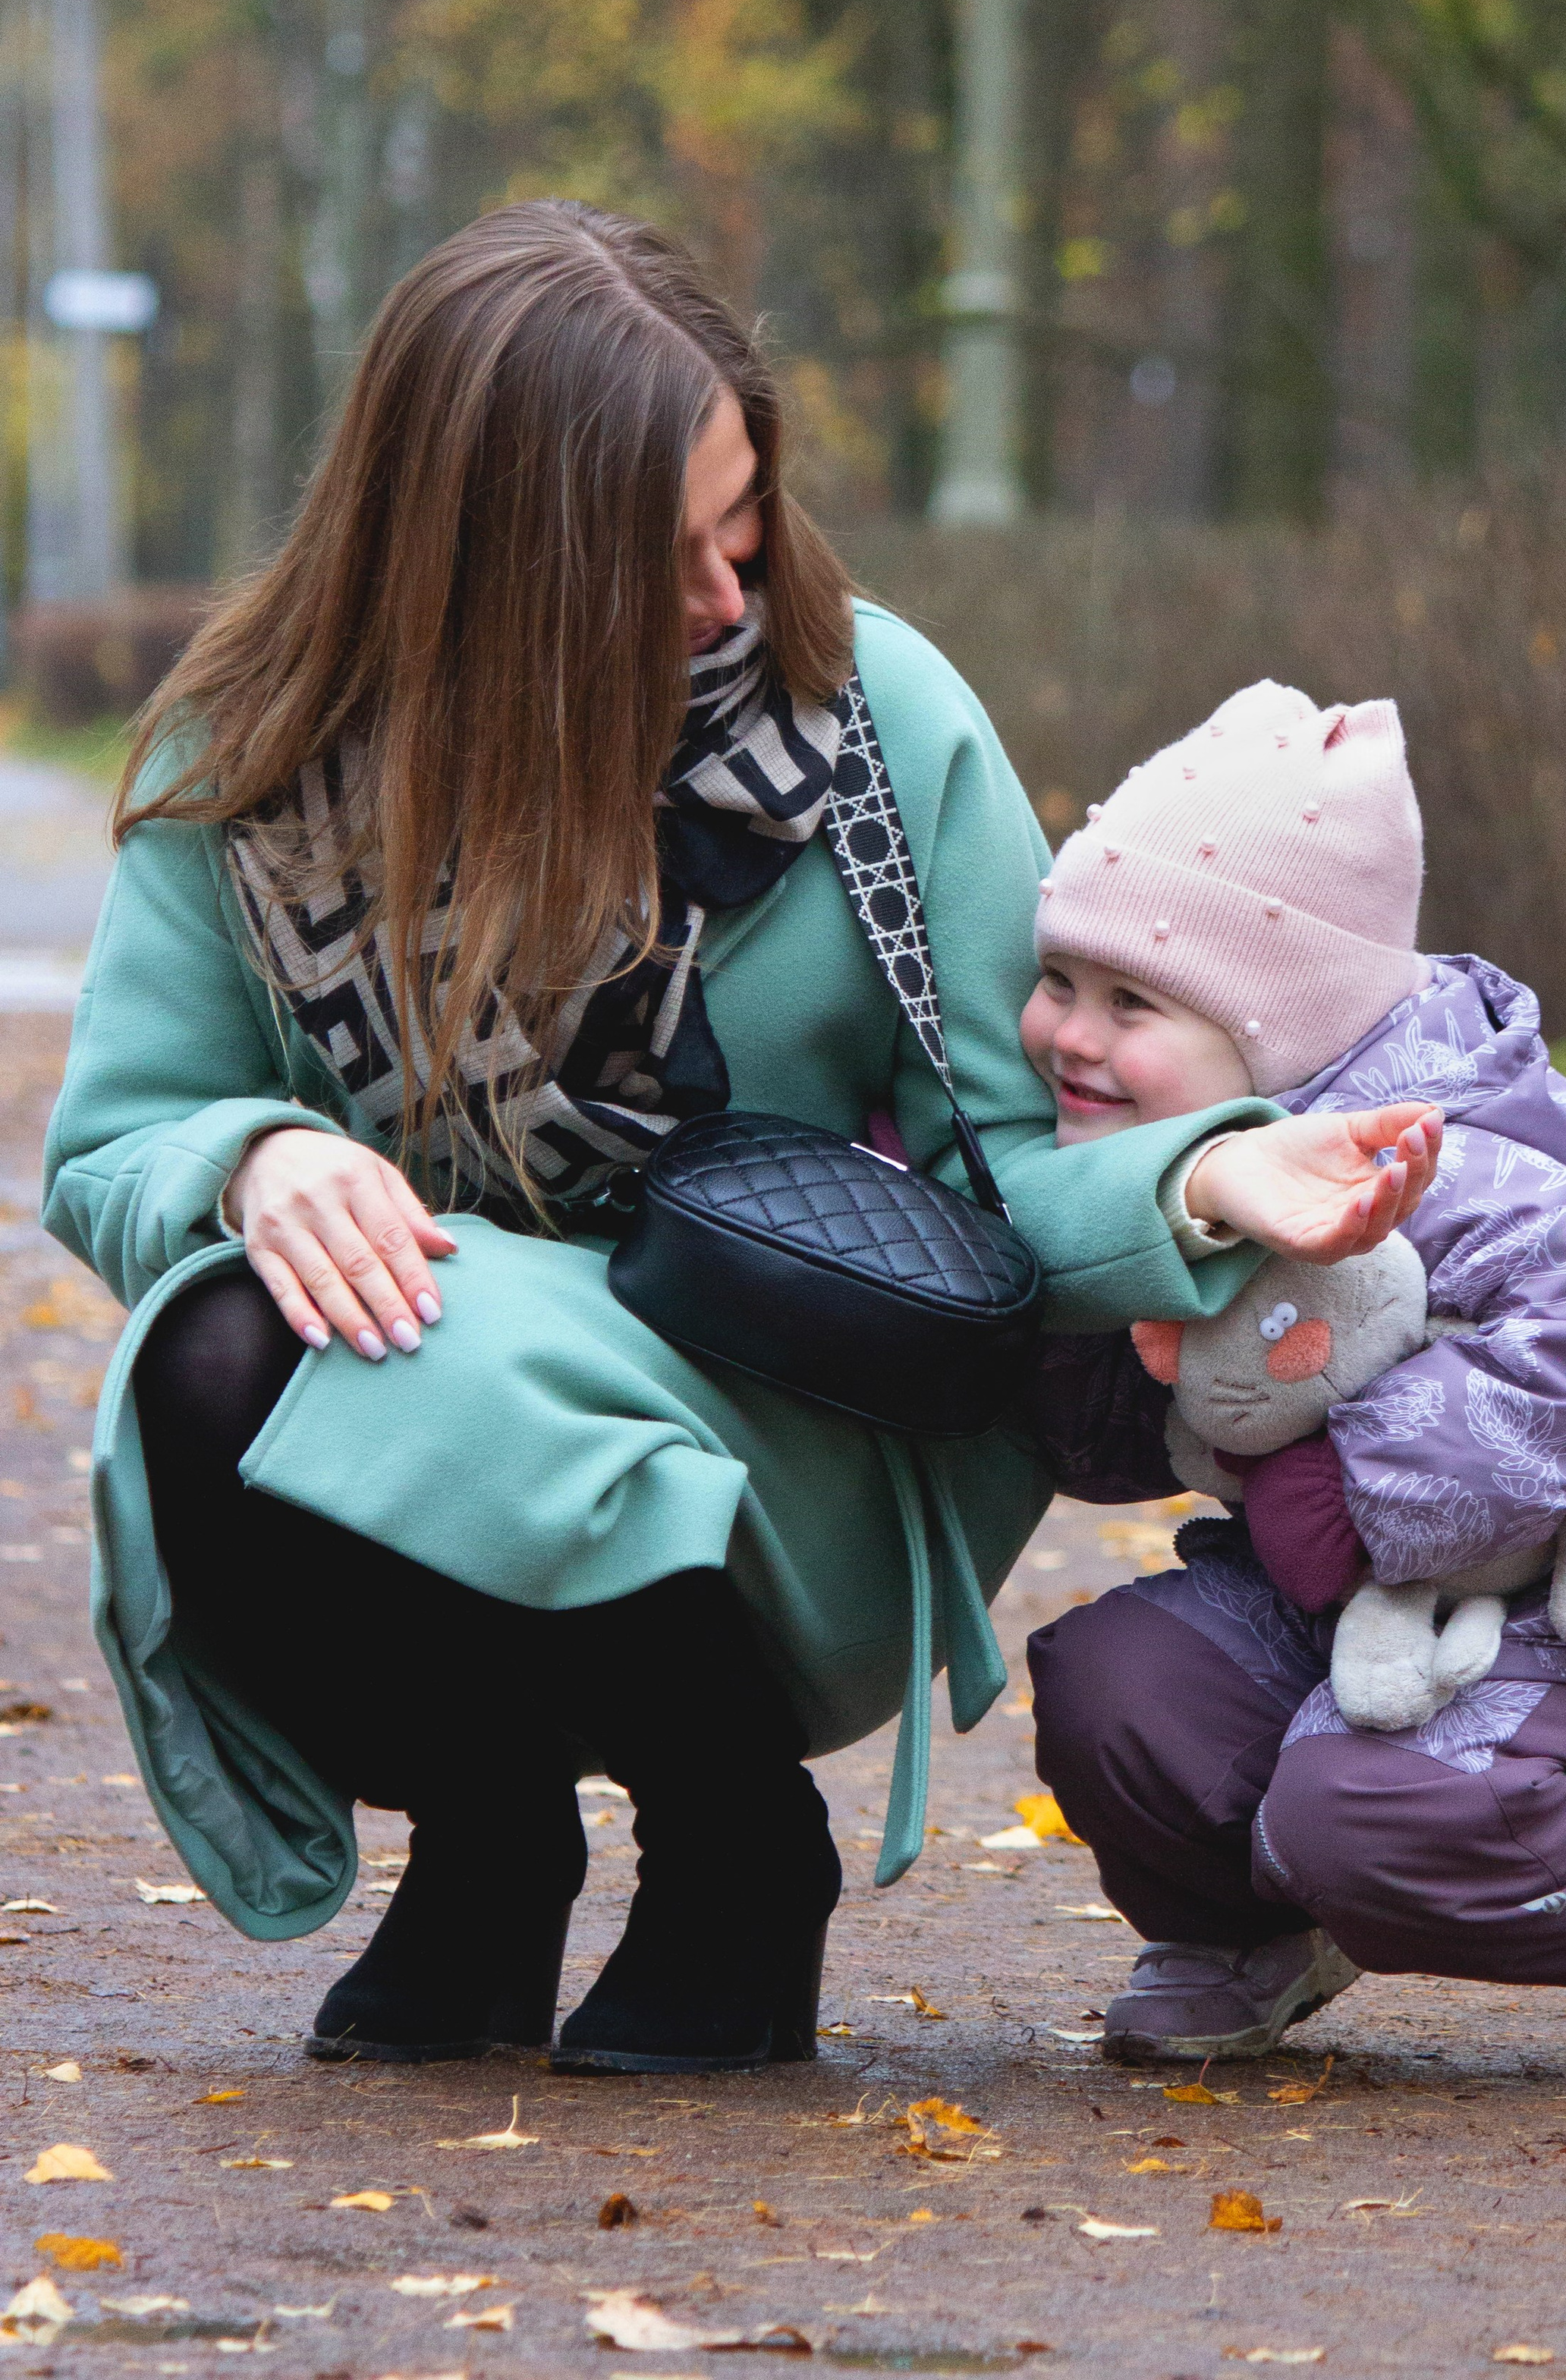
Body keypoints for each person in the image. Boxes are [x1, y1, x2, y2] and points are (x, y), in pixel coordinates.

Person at [45, 201, 1439, 2077]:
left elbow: (1002, 1162)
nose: (726, 594)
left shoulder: (869, 717)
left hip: (805, 1443)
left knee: (447, 1348)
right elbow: (113, 1139)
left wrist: (1201, 1181)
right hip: (446, 1387)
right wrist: (249, 1157)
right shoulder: (261, 745)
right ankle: (490, 1846)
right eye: (660, 554)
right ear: (478, 556)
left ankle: (732, 1852)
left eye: (745, 519)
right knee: (210, 1354)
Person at [1023, 682, 1566, 2083]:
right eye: (1059, 983)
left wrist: (1354, 1480)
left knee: (1360, 1816)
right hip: (1328, 1603)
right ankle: (1249, 1931)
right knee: (1115, 1686)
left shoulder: (1429, 1156)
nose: (1068, 1032)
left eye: (1128, 1001)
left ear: (1274, 1027)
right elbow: (1120, 1435)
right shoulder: (1174, 1165)